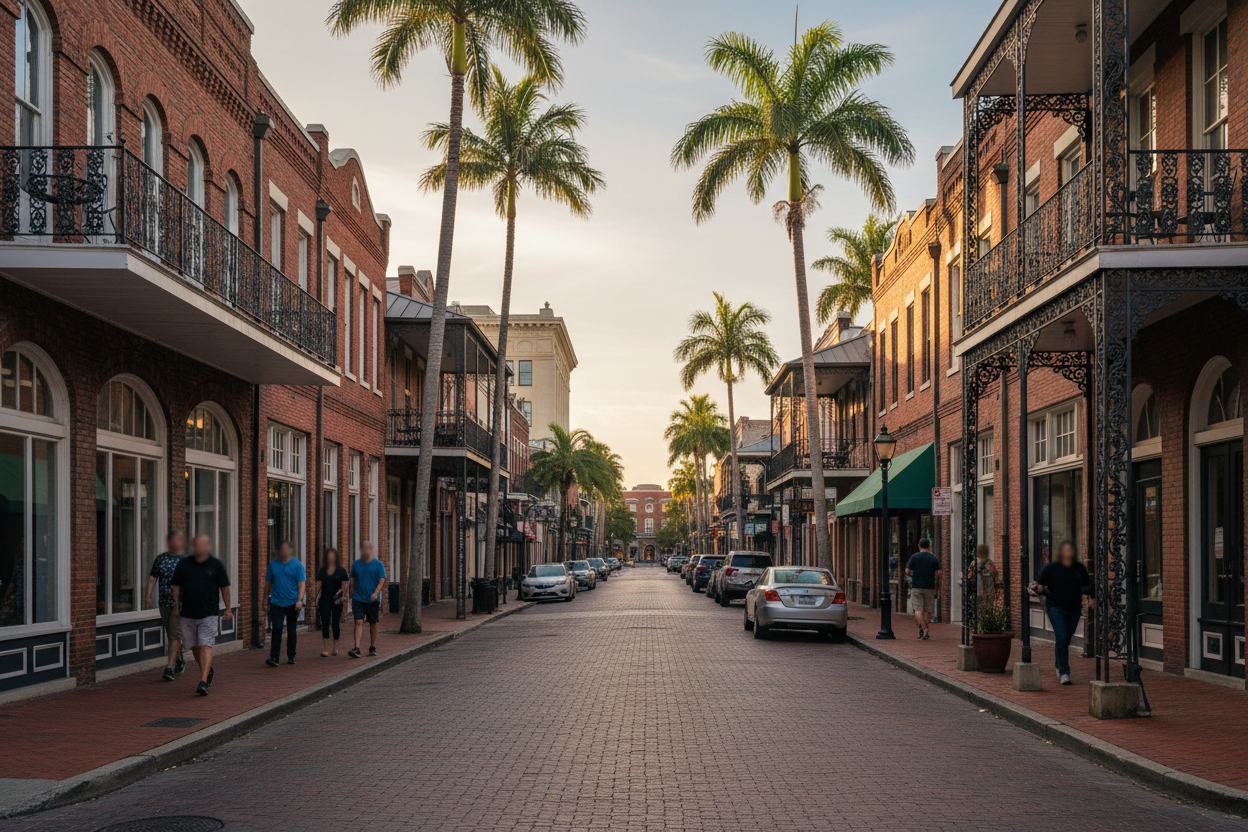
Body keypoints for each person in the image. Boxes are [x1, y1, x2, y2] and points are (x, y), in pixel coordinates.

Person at [171, 534, 232, 696]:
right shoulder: (184, 564)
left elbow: (225, 588)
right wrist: (176, 604)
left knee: (206, 645)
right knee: (194, 647)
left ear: (207, 546)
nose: (199, 548)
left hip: (209, 613)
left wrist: (228, 608)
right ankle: (208, 670)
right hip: (188, 613)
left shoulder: (216, 565)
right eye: (196, 545)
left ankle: (203, 681)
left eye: (202, 545)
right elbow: (176, 585)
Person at [1032, 540, 1091, 685]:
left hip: (1074, 608)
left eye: (1070, 550)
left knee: (1066, 639)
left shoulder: (1079, 568)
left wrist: (1093, 598)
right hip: (1055, 606)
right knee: (1062, 637)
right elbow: (1039, 584)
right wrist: (1036, 588)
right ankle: (1064, 672)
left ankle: (1059, 664)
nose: (1068, 553)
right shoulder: (1052, 567)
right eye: (1065, 550)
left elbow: (1088, 585)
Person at [145, 530, 187, 681]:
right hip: (164, 603)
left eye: (177, 540)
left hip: (180, 604)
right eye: (171, 540)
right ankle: (179, 659)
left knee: (175, 635)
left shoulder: (187, 559)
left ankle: (169, 667)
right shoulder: (161, 558)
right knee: (171, 635)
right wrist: (148, 596)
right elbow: (152, 577)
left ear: (182, 542)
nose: (174, 543)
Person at [263, 540, 306, 667]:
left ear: (290, 550)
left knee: (292, 630)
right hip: (276, 602)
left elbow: (301, 583)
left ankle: (291, 655)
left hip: (292, 602)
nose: (283, 552)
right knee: (277, 629)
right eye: (281, 550)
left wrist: (300, 599)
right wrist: (265, 601)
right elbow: (268, 584)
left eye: (286, 549)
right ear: (278, 551)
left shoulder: (297, 565)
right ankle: (274, 656)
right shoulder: (273, 565)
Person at [348, 541, 386, 659]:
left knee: (373, 623)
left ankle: (372, 646)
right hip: (358, 598)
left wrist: (376, 593)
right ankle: (357, 648)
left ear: (372, 549)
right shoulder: (356, 564)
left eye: (368, 548)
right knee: (358, 621)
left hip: (372, 599)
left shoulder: (378, 564)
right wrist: (351, 593)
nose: (366, 551)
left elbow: (381, 580)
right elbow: (353, 579)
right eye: (363, 549)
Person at [905, 538, 941, 640]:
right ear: (929, 546)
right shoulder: (933, 558)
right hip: (929, 587)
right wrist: (936, 589)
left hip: (916, 586)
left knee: (918, 609)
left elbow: (907, 571)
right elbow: (938, 574)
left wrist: (913, 575)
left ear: (919, 545)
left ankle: (923, 629)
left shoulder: (914, 557)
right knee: (927, 610)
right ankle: (926, 631)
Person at [315, 548, 349, 657]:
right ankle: (325, 649)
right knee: (325, 622)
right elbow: (319, 586)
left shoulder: (341, 571)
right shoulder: (322, 571)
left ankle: (335, 648)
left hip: (337, 601)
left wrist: (344, 597)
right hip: (324, 600)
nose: (331, 557)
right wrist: (316, 599)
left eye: (332, 555)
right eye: (329, 555)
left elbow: (344, 585)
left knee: (335, 623)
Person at [968, 543, 999, 613]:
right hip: (988, 593)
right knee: (987, 612)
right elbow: (995, 576)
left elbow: (969, 577)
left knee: (978, 611)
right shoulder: (989, 563)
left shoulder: (973, 563)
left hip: (977, 592)